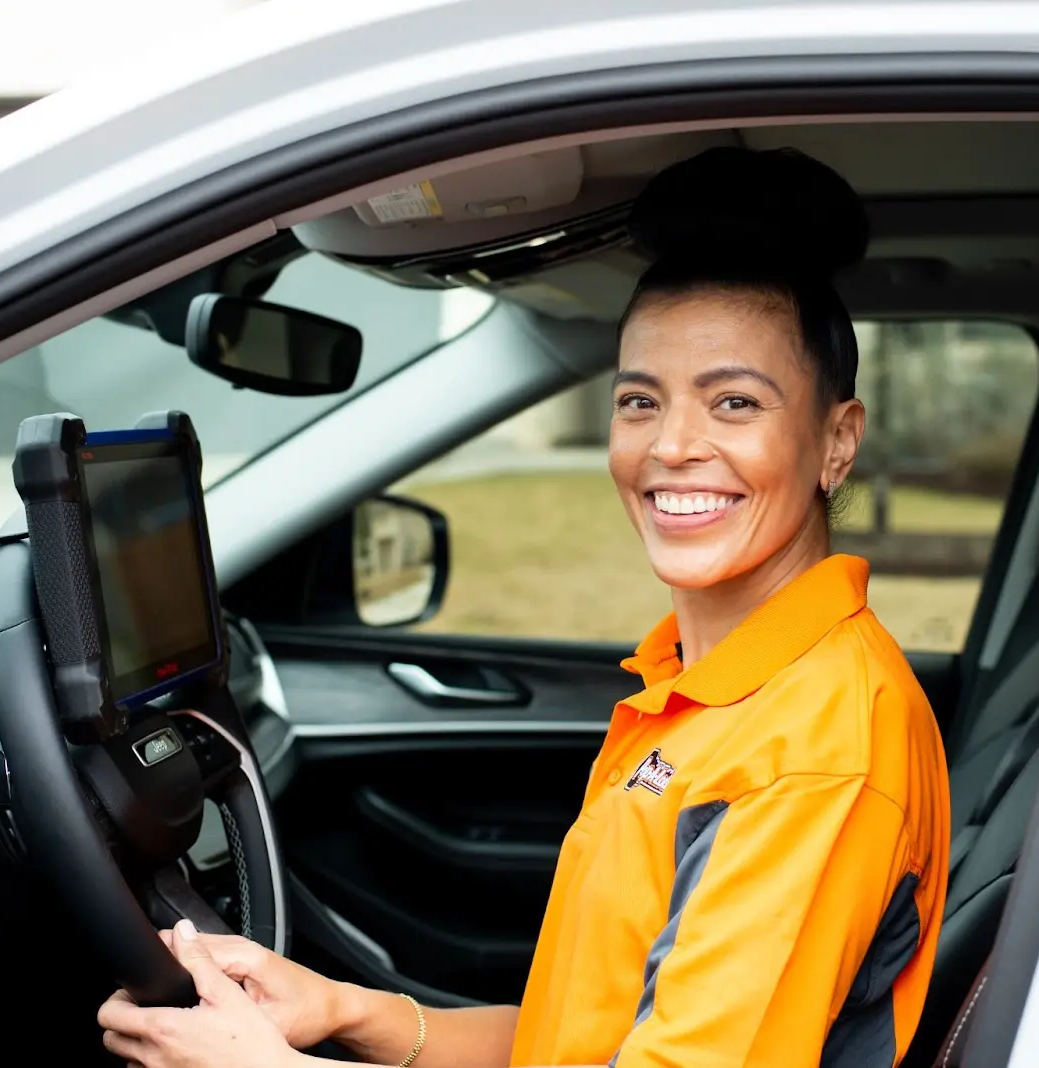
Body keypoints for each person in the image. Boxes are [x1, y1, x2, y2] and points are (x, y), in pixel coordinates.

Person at [97, 146, 951, 1068]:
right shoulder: (706, 691)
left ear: (836, 442)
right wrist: (346, 1010)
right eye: (638, 401)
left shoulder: (816, 749)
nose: (671, 446)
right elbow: (588, 1038)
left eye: (734, 402)